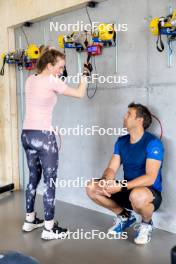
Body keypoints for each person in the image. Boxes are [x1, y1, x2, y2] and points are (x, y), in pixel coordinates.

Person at [21, 46, 90, 240]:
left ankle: (30, 220)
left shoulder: (30, 80)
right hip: (44, 137)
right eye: (60, 67)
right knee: (49, 182)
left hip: (27, 135)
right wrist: (85, 75)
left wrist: (50, 51)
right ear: (50, 66)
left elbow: (47, 62)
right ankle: (49, 229)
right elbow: (79, 94)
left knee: (33, 178)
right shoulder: (52, 81)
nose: (61, 71)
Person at [86, 103, 164, 245]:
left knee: (137, 195)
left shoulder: (153, 143)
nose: (124, 116)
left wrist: (121, 186)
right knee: (92, 187)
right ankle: (124, 216)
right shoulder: (121, 142)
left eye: (129, 114)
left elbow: (150, 178)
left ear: (140, 120)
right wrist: (106, 180)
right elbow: (111, 169)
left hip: (148, 193)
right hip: (127, 189)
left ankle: (146, 224)